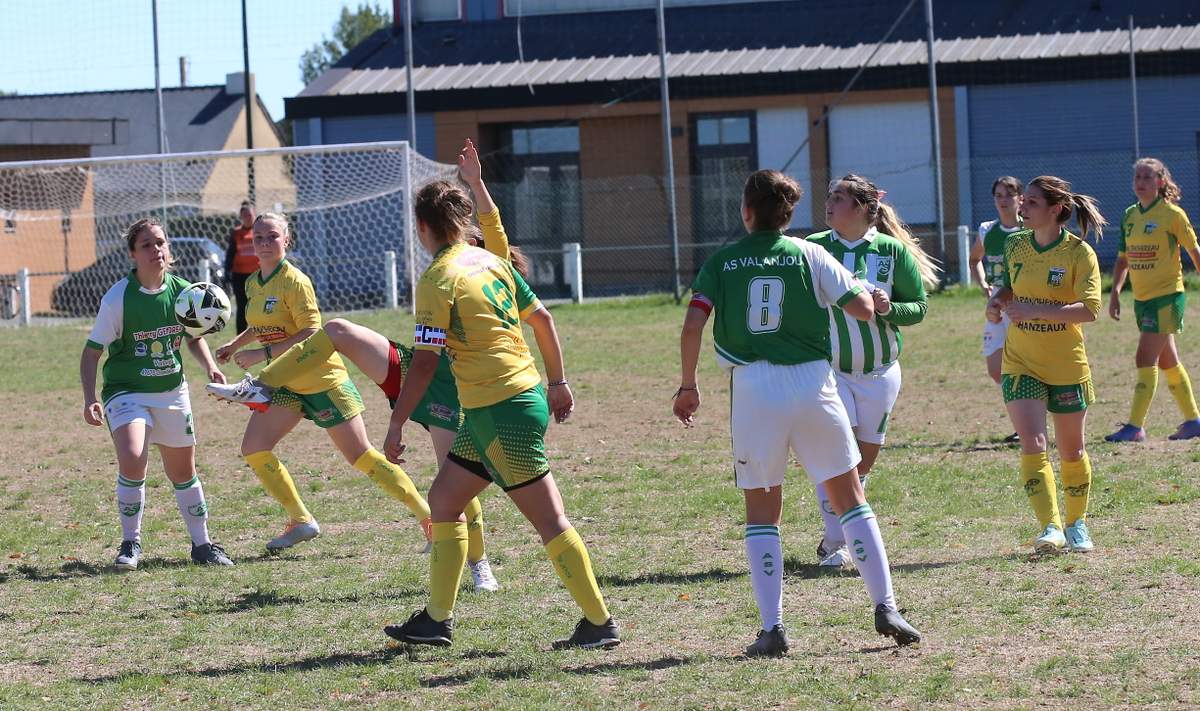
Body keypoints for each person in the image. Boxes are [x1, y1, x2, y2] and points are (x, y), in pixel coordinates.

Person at [207, 139, 519, 591]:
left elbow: (495, 232)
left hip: (450, 382)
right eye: (257, 236)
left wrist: (475, 184)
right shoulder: (438, 273)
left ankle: (478, 564)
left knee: (454, 478)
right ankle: (259, 389)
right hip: (413, 365)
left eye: (270, 235)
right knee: (340, 331)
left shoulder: (489, 267)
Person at [674, 169, 921, 657]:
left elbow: (693, 323)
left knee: (763, 510)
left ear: (746, 211)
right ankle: (887, 605)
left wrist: (688, 385)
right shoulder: (812, 253)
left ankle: (773, 628)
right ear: (788, 215)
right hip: (814, 384)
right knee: (850, 498)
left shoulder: (722, 262)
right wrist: (866, 294)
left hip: (754, 389)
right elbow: (863, 311)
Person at [381, 179, 620, 650]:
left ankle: (600, 622)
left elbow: (425, 362)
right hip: (515, 399)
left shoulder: (436, 279)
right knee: (446, 501)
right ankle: (435, 620)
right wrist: (558, 382)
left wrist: (394, 422)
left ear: (423, 226)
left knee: (550, 520)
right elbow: (544, 320)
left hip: (497, 410)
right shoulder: (491, 259)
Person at [211, 212, 432, 553]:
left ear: (287, 240)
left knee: (362, 457)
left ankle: (430, 520)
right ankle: (301, 520)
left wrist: (261, 355)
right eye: (258, 238)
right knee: (254, 448)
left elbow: (312, 333)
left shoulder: (295, 281)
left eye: (272, 236)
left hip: (323, 381)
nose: (265, 243)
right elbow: (261, 323)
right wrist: (235, 345)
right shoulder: (254, 282)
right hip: (287, 386)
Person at [80, 217, 233, 570]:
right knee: (134, 457)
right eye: (147, 245)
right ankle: (130, 543)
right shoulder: (119, 297)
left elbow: (195, 337)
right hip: (126, 390)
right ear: (133, 254)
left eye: (161, 243)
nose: (156, 250)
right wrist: (91, 397)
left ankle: (202, 545)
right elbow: (91, 353)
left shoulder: (184, 292)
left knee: (183, 471)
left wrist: (209, 366)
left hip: (171, 391)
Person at [807, 174, 939, 569]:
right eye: (829, 196)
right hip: (829, 372)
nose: (829, 203)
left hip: (881, 372)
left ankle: (835, 533)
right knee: (837, 454)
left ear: (864, 208)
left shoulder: (891, 251)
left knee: (861, 465)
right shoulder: (812, 248)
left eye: (840, 198)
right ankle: (838, 543)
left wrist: (887, 307)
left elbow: (917, 307)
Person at [986, 176, 1105, 554]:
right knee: (1033, 444)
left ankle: (1076, 524)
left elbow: (1090, 310)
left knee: (1071, 452)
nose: (1022, 207)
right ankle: (1050, 527)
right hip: (1021, 361)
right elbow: (1011, 286)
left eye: (1032, 202)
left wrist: (1037, 309)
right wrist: (997, 301)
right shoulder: (1015, 244)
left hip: (1066, 364)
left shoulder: (1078, 254)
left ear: (1055, 210)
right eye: (1025, 201)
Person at [1104, 158, 1200, 442]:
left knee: (1144, 357)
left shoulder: (1172, 214)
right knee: (1167, 361)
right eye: (1137, 177)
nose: (1141, 182)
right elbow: (1123, 259)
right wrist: (1116, 293)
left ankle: (1135, 427)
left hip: (1167, 296)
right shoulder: (1130, 216)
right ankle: (1193, 421)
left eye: (1147, 177)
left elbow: (1195, 251)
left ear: (1160, 182)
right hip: (1143, 299)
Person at [969, 176, 1025, 444]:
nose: (1004, 200)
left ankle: (1025, 424)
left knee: (1023, 366)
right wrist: (983, 285)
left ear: (1020, 199)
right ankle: (1025, 416)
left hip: (1023, 308)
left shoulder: (1030, 230)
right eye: (999, 195)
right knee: (996, 369)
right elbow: (974, 259)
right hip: (996, 309)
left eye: (1010, 194)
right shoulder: (987, 230)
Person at [224, 201, 258, 334]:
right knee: (242, 305)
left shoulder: (259, 231)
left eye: (250, 215)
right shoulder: (236, 233)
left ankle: (261, 331)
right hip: (240, 275)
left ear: (254, 215)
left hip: (258, 275)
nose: (248, 218)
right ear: (241, 217)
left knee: (259, 304)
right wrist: (227, 272)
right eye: (245, 216)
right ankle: (241, 334)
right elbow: (230, 253)